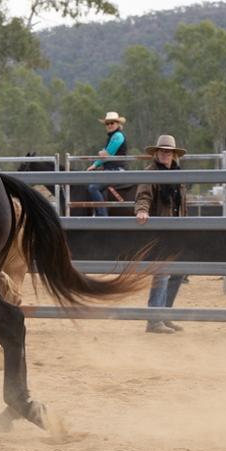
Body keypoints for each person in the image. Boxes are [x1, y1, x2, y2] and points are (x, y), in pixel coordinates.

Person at [133, 134, 188, 334]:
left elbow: (183, 203)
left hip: (175, 229)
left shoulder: (178, 174)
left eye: (169, 151)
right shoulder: (151, 173)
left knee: (177, 272)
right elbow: (143, 195)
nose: (166, 154)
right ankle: (154, 319)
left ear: (174, 154)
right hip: (158, 231)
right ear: (156, 153)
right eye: (163, 151)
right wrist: (141, 210)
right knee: (162, 272)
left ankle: (164, 314)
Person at [85, 111, 129, 217]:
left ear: (118, 124)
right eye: (107, 123)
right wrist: (95, 165)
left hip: (116, 170)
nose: (109, 125)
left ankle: (102, 216)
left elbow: (106, 154)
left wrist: (101, 155)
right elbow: (105, 154)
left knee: (93, 187)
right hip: (111, 169)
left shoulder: (118, 136)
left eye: (112, 123)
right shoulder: (114, 136)